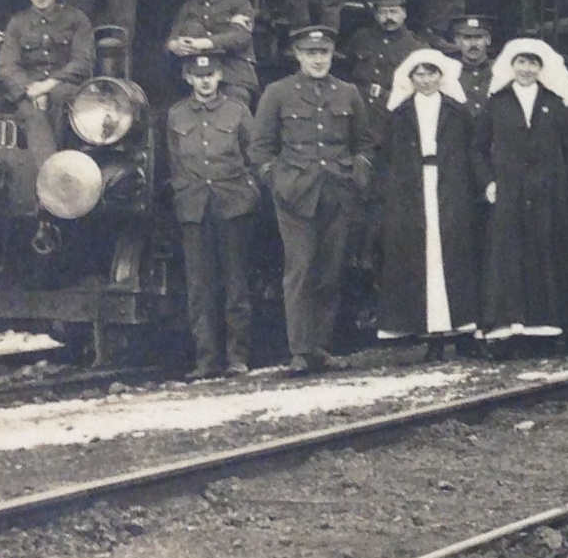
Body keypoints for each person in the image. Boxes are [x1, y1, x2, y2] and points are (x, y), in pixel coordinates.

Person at [252, 24, 373, 373]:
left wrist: (357, 175)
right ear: (298, 56)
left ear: (332, 55)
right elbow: (261, 148)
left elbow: (362, 144)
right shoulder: (278, 93)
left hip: (337, 191)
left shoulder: (348, 93)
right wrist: (275, 181)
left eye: (324, 53)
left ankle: (322, 346)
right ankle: (300, 351)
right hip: (295, 193)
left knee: (330, 272)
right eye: (311, 53)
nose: (318, 60)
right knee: (300, 270)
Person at [474, 37, 568, 345]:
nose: (526, 69)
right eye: (521, 62)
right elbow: (479, 149)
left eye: (533, 63)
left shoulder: (553, 102)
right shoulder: (497, 102)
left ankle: (546, 326)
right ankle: (508, 326)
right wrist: (489, 182)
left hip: (547, 192)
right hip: (508, 191)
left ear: (541, 67)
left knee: (545, 253)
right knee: (507, 256)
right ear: (512, 66)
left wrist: (565, 183)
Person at [376, 49, 481, 352]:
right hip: (412, 187)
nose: (425, 80)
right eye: (419, 74)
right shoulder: (400, 114)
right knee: (420, 254)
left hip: (450, 185)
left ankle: (459, 328)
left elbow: (469, 150)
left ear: (441, 76)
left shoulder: (456, 111)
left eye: (431, 73)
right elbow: (389, 156)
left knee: (452, 251)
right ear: (410, 78)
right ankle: (425, 329)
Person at [166, 52, 260, 378]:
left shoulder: (238, 111)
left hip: (232, 204)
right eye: (198, 75)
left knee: (236, 283)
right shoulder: (176, 115)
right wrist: (183, 190)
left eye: (211, 75)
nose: (205, 81)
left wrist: (247, 191)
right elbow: (174, 160)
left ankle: (238, 357)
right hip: (194, 206)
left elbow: (255, 154)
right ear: (188, 78)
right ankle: (206, 360)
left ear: (220, 76)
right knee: (199, 287)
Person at [0, 0, 95, 163]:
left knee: (59, 98)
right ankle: (51, 172)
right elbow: (6, 65)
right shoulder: (18, 23)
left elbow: (83, 61)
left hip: (64, 87)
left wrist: (48, 85)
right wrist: (29, 88)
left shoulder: (76, 19)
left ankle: (56, 169)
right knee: (33, 115)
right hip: (29, 90)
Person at [165, 0, 260, 106]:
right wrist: (175, 45)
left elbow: (241, 36)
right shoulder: (189, 7)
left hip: (233, 73)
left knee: (235, 103)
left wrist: (206, 43)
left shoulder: (238, 3)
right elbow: (173, 37)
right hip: (197, 73)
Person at [340, 0, 424, 115]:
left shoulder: (416, 46)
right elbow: (344, 70)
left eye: (393, 11)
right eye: (383, 12)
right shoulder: (360, 38)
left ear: (404, 14)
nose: (388, 17)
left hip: (395, 111)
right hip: (359, 107)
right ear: (375, 14)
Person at [449, 15, 496, 105]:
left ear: (488, 40)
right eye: (467, 38)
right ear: (457, 41)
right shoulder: (450, 72)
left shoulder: (499, 70)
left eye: (478, 37)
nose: (473, 44)